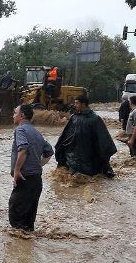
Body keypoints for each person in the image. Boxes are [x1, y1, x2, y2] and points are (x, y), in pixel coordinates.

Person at [9, 104, 54, 232]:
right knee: (28, 220)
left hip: (24, 179)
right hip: (36, 180)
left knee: (16, 216)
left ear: (21, 115)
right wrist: (38, 165)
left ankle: (19, 249)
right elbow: (49, 152)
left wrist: (17, 170)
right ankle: (27, 249)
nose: (13, 115)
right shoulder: (36, 133)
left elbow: (23, 150)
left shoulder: (20, 130)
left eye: (14, 113)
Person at [54, 95, 117, 177]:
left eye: (77, 103)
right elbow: (66, 135)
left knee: (87, 175)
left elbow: (102, 138)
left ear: (83, 104)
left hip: (88, 153)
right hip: (73, 153)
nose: (74, 105)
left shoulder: (95, 119)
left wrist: (104, 154)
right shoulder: (74, 117)